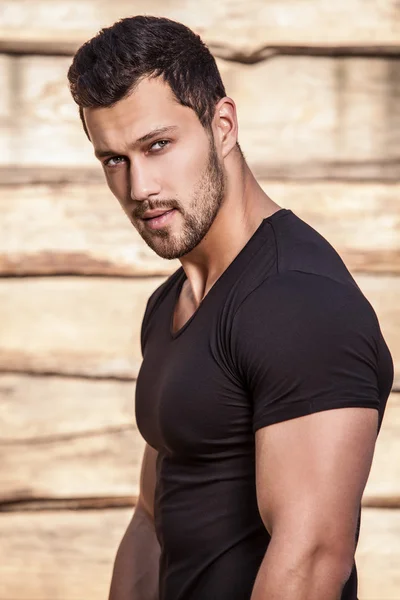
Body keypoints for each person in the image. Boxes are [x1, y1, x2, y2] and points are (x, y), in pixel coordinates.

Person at [67, 15, 394, 600]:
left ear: (222, 125)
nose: (139, 186)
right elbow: (153, 518)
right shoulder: (173, 302)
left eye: (158, 145)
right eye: (113, 160)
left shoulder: (298, 301)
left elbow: (313, 557)